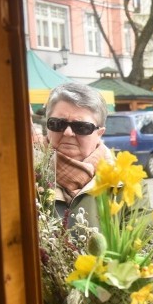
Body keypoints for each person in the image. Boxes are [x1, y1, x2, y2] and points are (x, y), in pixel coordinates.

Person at [45, 82, 111, 226]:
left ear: (99, 133)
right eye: (58, 124)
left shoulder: (124, 181)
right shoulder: (20, 176)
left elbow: (145, 243)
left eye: (81, 127)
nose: (68, 133)